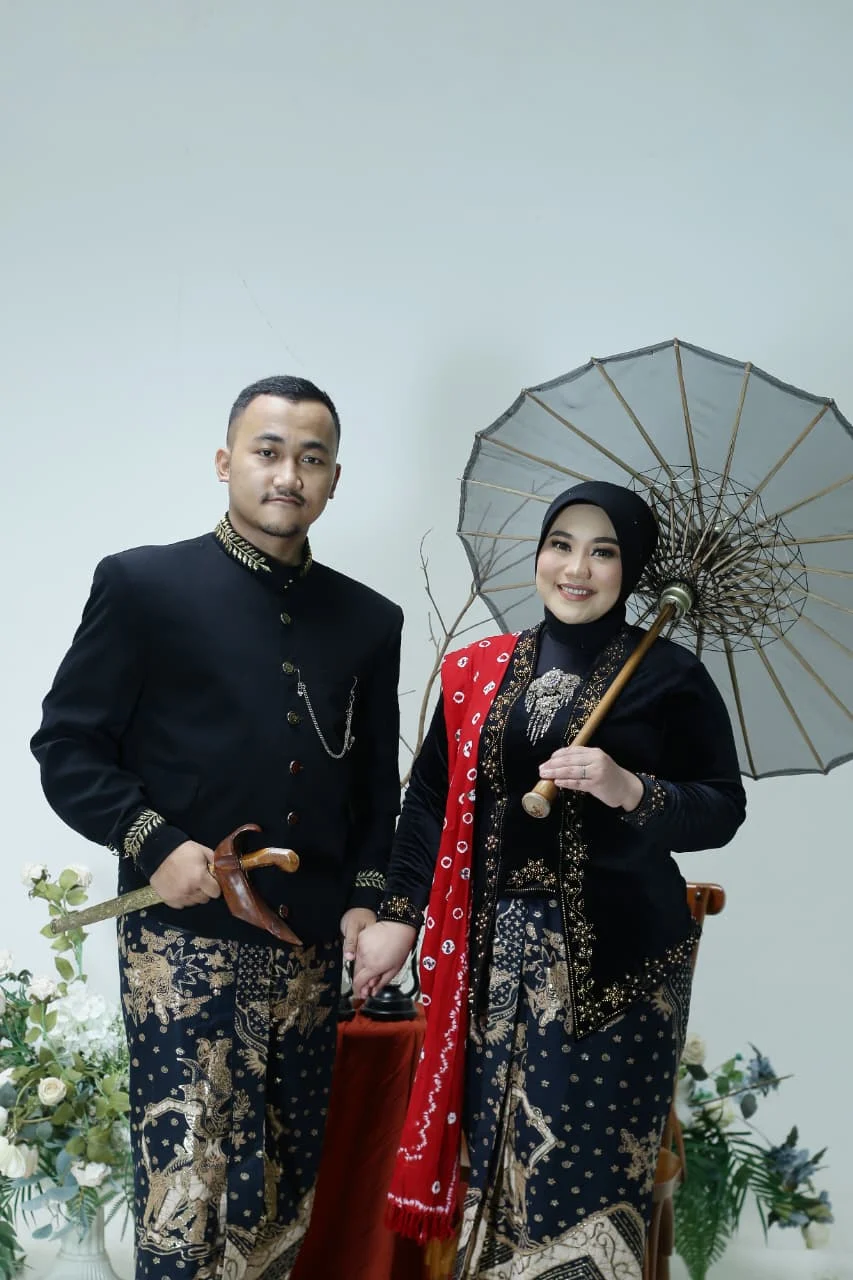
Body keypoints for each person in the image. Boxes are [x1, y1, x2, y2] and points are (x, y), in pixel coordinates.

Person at [31, 376, 403, 1280]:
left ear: (334, 478)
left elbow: (373, 789)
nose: (288, 475)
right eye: (268, 452)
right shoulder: (143, 585)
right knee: (186, 1203)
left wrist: (367, 901)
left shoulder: (369, 619)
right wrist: (154, 844)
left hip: (309, 955)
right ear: (225, 461)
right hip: (182, 949)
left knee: (281, 1201)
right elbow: (68, 745)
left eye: (310, 458)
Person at [354, 480, 746, 1279]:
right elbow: (428, 799)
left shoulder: (668, 676)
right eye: (559, 545)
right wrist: (398, 915)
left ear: (630, 570)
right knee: (495, 1168)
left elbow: (719, 809)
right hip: (490, 963)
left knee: (579, 1176)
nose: (576, 568)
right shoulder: (480, 670)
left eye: (603, 552)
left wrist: (627, 788)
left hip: (616, 974)